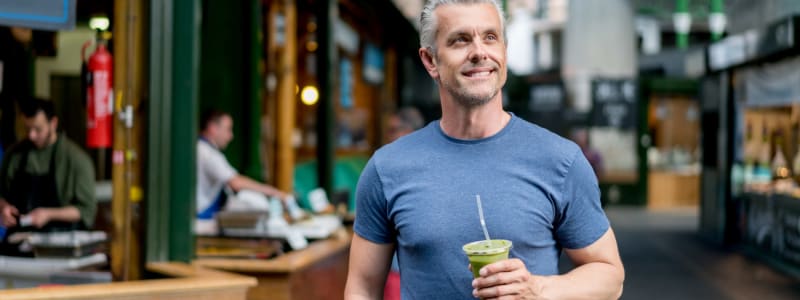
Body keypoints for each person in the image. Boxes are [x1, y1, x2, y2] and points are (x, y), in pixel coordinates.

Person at [344, 1, 625, 299]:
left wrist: (538, 289)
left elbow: (609, 276)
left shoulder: (561, 160)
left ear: (504, 50)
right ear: (430, 61)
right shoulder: (388, 168)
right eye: (460, 39)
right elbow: (362, 287)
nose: (479, 52)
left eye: (490, 37)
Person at [0, 98, 96, 255]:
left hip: (60, 247)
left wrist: (48, 214)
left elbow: (86, 211)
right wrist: (3, 208)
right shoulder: (14, 155)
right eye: (27, 128)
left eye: (38, 129)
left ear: (53, 123)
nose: (31, 135)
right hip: (17, 245)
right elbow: (2, 195)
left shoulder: (77, 160)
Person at [196, 109, 288, 221]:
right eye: (228, 129)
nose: (230, 136)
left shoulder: (202, 149)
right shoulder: (207, 152)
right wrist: (277, 193)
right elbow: (236, 182)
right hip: (200, 217)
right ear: (213, 128)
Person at [382, 106, 425, 300]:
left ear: (407, 131)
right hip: (394, 271)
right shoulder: (385, 166)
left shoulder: (416, 168)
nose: (388, 136)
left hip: (406, 275)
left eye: (392, 130)